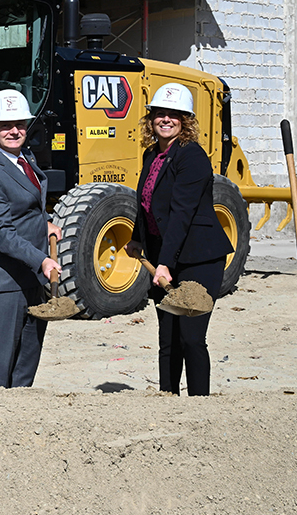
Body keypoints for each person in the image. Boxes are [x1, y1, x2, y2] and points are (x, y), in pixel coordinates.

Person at [125, 83, 232, 396]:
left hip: (199, 258)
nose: (166, 119)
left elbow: (180, 214)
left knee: (191, 337)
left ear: (186, 121)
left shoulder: (193, 158)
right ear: (152, 119)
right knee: (168, 338)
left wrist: (164, 264)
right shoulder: (152, 154)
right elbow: (146, 202)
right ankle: (168, 398)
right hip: (165, 254)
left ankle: (199, 402)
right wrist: (136, 238)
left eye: (175, 114)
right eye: (160, 114)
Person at [0, 90, 62, 388]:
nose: (14, 131)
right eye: (5, 125)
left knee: (25, 366)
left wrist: (45, 223)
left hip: (31, 279)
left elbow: (26, 206)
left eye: (19, 124)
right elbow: (0, 232)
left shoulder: (23, 158)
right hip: (3, 285)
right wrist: (42, 259)